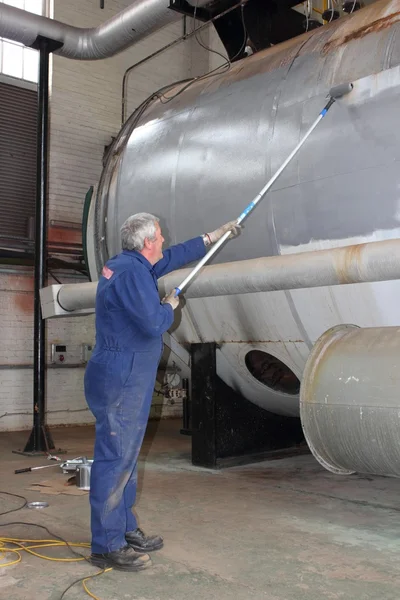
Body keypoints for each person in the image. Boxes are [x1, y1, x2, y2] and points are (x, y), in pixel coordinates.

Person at [84, 212, 241, 571]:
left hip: (119, 373)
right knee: (115, 459)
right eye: (160, 236)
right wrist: (169, 305)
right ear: (149, 242)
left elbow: (170, 259)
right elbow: (154, 323)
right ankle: (106, 544)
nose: (164, 241)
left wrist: (210, 236)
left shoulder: (128, 264)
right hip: (121, 378)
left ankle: (123, 529)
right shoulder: (133, 274)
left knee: (125, 456)